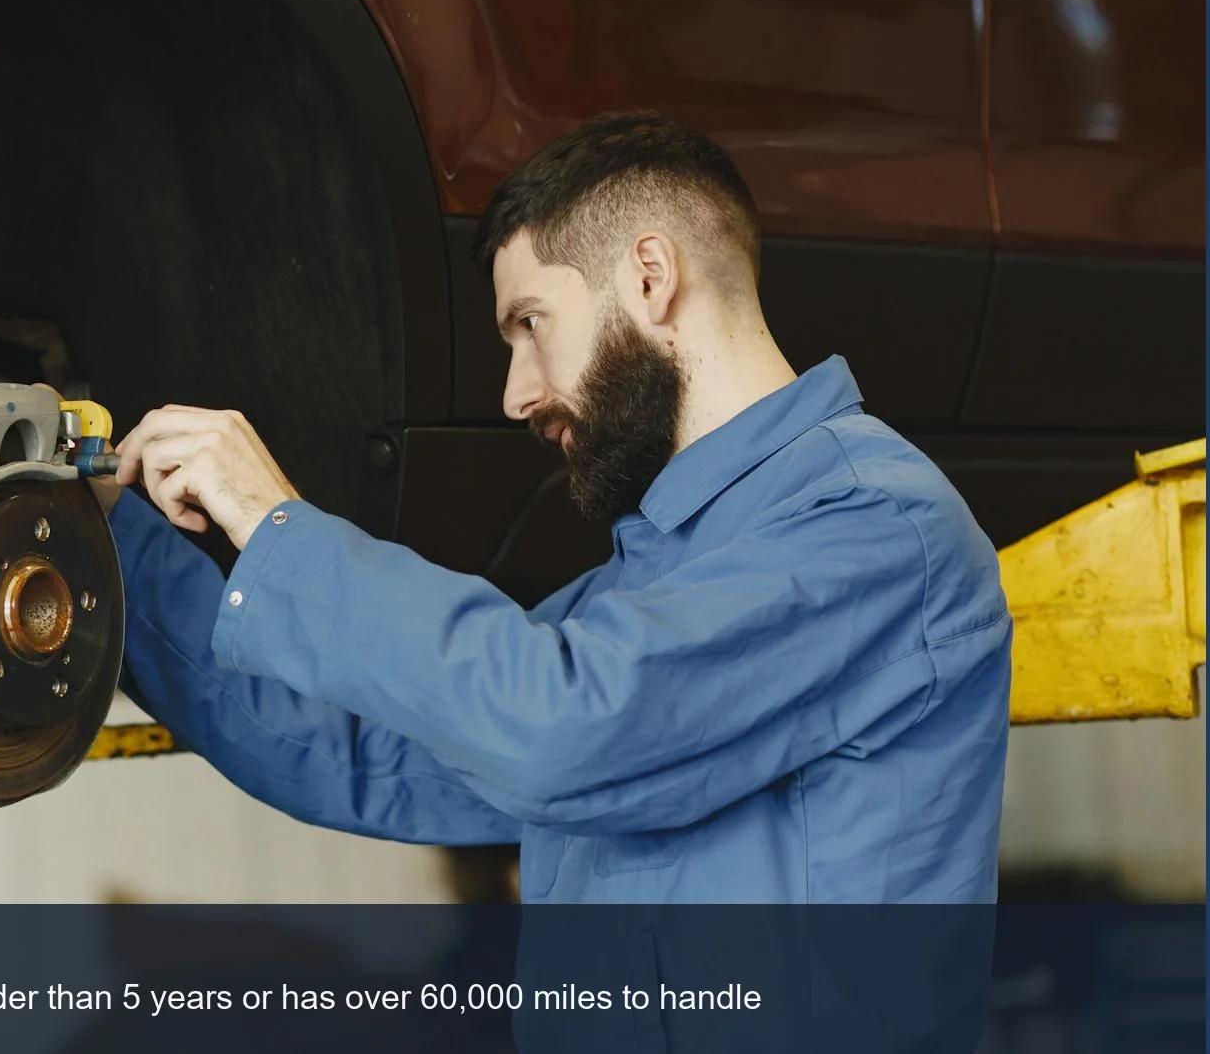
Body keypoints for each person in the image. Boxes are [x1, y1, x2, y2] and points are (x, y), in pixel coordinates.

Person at [92, 110, 1011, 905]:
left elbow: (565, 727)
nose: (515, 393)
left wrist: (274, 520)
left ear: (651, 277)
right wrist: (107, 537)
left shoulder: (877, 530)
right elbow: (360, 751)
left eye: (530, 324)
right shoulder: (644, 589)